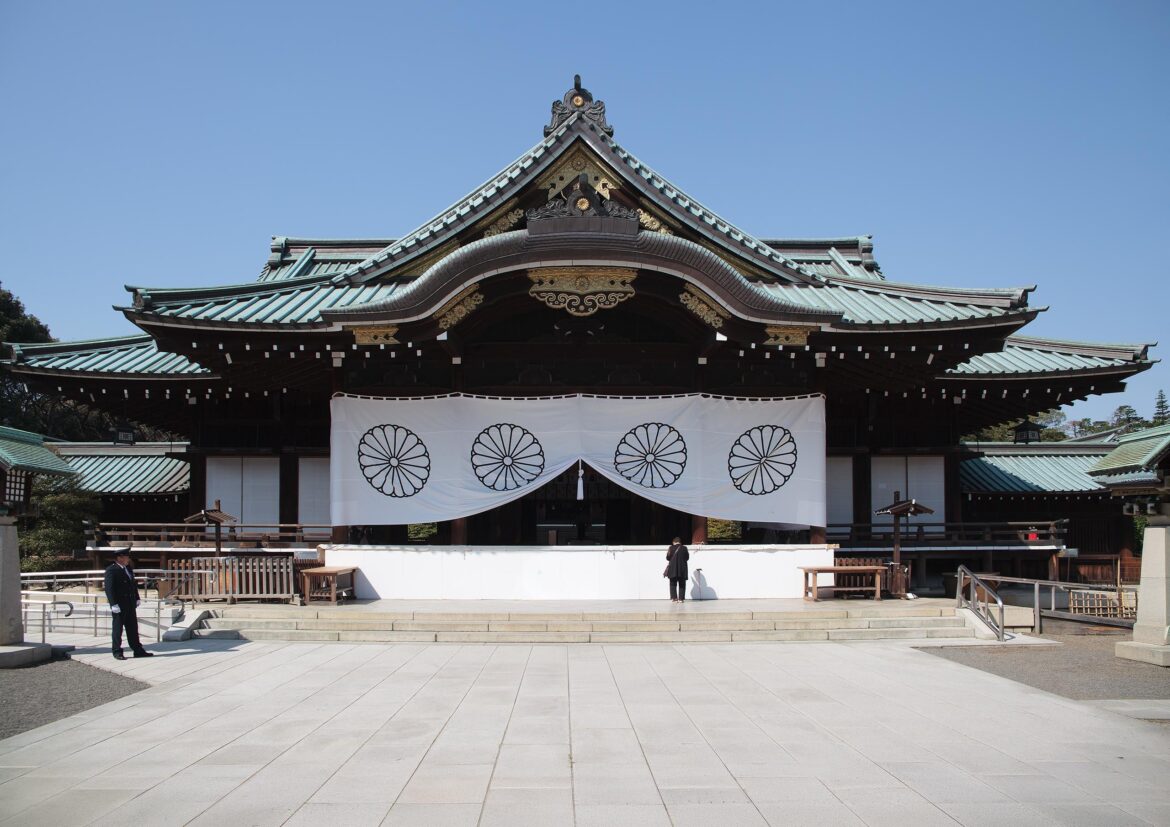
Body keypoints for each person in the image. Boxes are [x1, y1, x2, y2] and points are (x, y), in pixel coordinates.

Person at [103, 549, 153, 660]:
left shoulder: (128, 569)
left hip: (130, 603)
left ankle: (137, 650)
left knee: (132, 628)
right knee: (118, 629)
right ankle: (117, 651)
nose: (128, 559)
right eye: (126, 557)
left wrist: (137, 597)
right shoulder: (112, 570)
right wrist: (113, 603)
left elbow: (133, 585)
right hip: (119, 604)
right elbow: (109, 588)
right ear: (119, 558)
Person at [665, 536, 689, 603]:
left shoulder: (670, 548)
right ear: (680, 542)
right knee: (682, 584)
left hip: (672, 569)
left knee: (672, 584)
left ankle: (674, 598)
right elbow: (687, 558)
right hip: (682, 569)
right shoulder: (684, 548)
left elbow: (667, 558)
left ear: (673, 542)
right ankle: (681, 599)